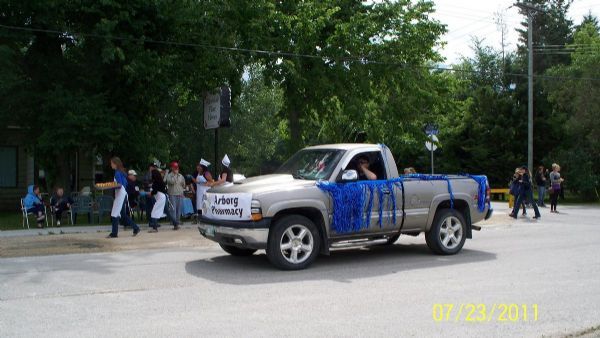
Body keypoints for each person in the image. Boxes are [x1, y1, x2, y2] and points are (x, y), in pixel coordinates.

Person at [107, 157, 140, 238]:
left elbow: (119, 185)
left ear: (115, 164)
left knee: (115, 213)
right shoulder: (121, 172)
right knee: (123, 214)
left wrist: (111, 186)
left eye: (111, 163)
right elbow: (125, 184)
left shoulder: (117, 172)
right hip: (123, 194)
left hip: (120, 194)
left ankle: (114, 233)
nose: (111, 165)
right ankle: (135, 228)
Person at [165, 161, 186, 230]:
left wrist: (182, 191)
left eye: (177, 167)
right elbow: (171, 182)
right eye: (175, 167)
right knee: (173, 209)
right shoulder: (169, 175)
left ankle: (177, 221)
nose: (176, 169)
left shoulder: (181, 176)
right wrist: (175, 175)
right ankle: (174, 222)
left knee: (179, 209)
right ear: (172, 168)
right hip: (172, 194)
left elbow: (183, 184)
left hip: (179, 193)